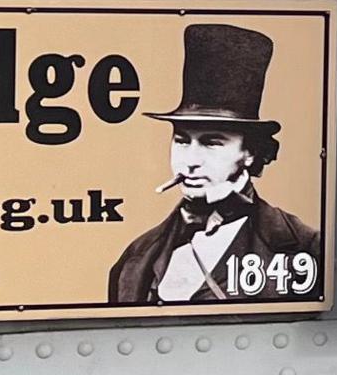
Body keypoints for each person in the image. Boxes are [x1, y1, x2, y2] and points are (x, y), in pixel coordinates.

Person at [107, 21, 323, 305]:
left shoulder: (305, 247)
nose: (190, 161)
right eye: (182, 140)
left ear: (250, 152)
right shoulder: (136, 258)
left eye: (212, 143)